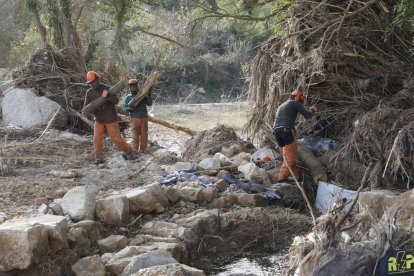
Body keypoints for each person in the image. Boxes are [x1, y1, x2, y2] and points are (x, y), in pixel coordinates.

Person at [83, 71, 135, 165]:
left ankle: (129, 151)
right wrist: (86, 113)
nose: (92, 84)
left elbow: (116, 101)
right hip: (98, 120)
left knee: (116, 138)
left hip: (110, 118)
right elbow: (86, 107)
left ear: (97, 79)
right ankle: (99, 159)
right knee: (96, 139)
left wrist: (108, 96)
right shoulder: (89, 92)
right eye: (90, 83)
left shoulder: (107, 89)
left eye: (93, 82)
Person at [273, 89, 317, 182]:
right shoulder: (295, 103)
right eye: (301, 98)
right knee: (291, 158)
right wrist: (312, 110)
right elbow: (308, 115)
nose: (302, 101)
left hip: (276, 131)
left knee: (286, 156)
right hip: (286, 130)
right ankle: (282, 178)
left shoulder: (283, 104)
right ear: (298, 97)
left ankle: (295, 178)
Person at [124, 79, 153, 153]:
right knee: (135, 136)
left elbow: (149, 103)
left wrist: (149, 94)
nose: (132, 87)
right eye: (131, 86)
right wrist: (129, 109)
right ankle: (134, 151)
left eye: (134, 85)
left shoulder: (142, 95)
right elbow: (125, 109)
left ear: (137, 86)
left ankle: (143, 150)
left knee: (144, 135)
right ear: (129, 87)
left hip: (144, 118)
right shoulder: (128, 97)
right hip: (134, 119)